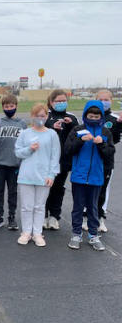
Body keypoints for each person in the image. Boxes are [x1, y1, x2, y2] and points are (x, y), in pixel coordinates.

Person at [64, 100, 115, 251]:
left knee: (93, 208)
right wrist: (80, 140)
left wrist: (101, 144)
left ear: (101, 117)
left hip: (96, 177)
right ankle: (76, 234)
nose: (93, 118)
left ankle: (93, 235)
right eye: (91, 116)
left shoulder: (105, 132)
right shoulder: (77, 130)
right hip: (79, 177)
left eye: (96, 116)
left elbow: (110, 154)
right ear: (86, 115)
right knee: (78, 207)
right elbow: (68, 149)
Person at [15, 104, 61, 247]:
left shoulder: (52, 134)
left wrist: (52, 175)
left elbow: (55, 156)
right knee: (26, 207)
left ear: (47, 116)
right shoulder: (25, 133)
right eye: (37, 116)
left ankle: (37, 233)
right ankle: (26, 232)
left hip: (44, 176)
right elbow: (18, 152)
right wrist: (29, 149)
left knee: (40, 206)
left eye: (43, 116)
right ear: (32, 116)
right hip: (26, 176)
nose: (40, 118)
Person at [82, 89, 122, 232]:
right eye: (101, 99)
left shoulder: (115, 119)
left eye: (107, 100)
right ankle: (86, 216)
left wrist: (119, 125)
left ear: (111, 101)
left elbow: (115, 140)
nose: (104, 102)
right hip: (89, 160)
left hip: (106, 161)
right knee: (87, 188)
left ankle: (100, 217)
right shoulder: (88, 117)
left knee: (103, 190)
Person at [0, 94, 27, 230]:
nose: (9, 108)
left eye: (11, 106)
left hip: (15, 164)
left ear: (16, 106)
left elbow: (25, 144)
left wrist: (23, 162)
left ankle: (12, 217)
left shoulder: (22, 124)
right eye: (6, 106)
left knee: (13, 192)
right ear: (3, 107)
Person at [43, 89, 78, 230]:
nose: (61, 103)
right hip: (46, 160)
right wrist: (51, 127)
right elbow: (38, 131)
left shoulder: (71, 117)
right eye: (58, 101)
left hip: (64, 160)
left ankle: (54, 216)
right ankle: (43, 215)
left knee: (58, 188)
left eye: (64, 101)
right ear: (51, 102)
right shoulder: (46, 116)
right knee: (45, 187)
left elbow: (77, 136)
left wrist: (70, 125)